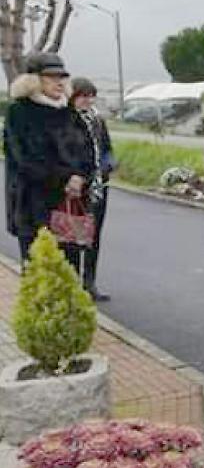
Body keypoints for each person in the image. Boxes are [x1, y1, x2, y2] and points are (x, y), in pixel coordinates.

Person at [4, 53, 88, 263]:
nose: (59, 82)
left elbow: (86, 150)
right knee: (38, 268)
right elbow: (24, 158)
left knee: (69, 266)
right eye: (51, 76)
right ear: (34, 80)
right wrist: (65, 178)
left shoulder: (69, 113)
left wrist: (80, 176)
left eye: (62, 77)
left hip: (69, 202)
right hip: (33, 202)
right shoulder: (19, 112)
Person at [68, 78, 115, 301]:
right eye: (82, 96)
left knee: (94, 236)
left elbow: (107, 148)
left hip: (98, 186)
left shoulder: (97, 120)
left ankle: (90, 281)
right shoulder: (67, 122)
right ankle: (74, 281)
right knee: (75, 236)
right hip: (78, 187)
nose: (87, 100)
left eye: (90, 96)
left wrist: (108, 164)